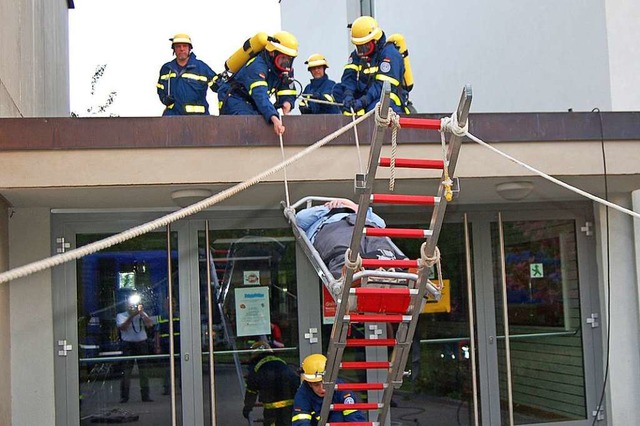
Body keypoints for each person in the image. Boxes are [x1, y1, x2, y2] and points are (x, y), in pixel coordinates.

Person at [295, 198, 406, 280]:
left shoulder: (361, 213)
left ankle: (389, 267)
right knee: (345, 252)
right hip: (335, 228)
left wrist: (352, 205)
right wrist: (327, 207)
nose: (340, 204)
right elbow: (300, 218)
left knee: (379, 243)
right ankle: (351, 276)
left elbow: (381, 224)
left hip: (364, 225)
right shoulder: (322, 216)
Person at [218, 31, 299, 136]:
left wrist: (287, 102)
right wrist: (274, 117)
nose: (285, 62)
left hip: (253, 102)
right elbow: (260, 95)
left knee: (263, 122)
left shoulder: (285, 69)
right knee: (250, 127)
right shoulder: (257, 66)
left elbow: (287, 89)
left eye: (289, 59)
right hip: (234, 98)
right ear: (272, 53)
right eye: (283, 58)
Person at [333, 16, 406, 115]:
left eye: (365, 46)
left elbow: (382, 86)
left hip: (385, 98)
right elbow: (349, 77)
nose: (362, 51)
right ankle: (353, 112)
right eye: (359, 47)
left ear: (375, 40)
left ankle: (359, 112)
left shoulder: (389, 54)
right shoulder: (357, 55)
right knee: (337, 90)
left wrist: (363, 101)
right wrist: (348, 95)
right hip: (364, 96)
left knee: (374, 109)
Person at [291, 354, 365, 425]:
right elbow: (301, 423)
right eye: (316, 385)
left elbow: (354, 418)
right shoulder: (303, 395)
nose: (322, 389)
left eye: (325, 383)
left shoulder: (341, 389)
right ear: (309, 384)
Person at [156, 33, 218, 116]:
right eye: (178, 46)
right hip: (173, 116)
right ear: (174, 49)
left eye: (184, 46)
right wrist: (164, 99)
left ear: (189, 48)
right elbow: (160, 89)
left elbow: (219, 87)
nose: (181, 49)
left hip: (198, 119)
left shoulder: (202, 68)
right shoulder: (166, 69)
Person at [242, 341, 300, 426]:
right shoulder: (281, 363)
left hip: (272, 408)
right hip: (291, 405)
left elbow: (251, 392)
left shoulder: (256, 368)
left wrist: (247, 408)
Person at [116, 293, 155, 403]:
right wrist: (132, 316)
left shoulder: (142, 314)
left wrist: (141, 313)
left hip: (141, 343)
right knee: (126, 372)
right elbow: (123, 328)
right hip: (127, 345)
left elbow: (150, 324)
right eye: (130, 304)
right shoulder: (121, 315)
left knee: (144, 371)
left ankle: (145, 396)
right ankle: (124, 396)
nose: (132, 306)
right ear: (126, 305)